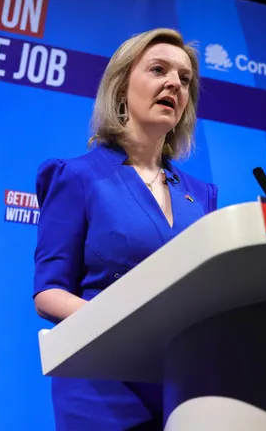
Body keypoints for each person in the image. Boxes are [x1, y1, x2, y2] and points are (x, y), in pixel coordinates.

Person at [32, 28, 219, 430]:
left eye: (184, 79)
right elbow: (48, 293)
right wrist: (126, 329)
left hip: (182, 389)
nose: (174, 83)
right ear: (121, 89)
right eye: (159, 70)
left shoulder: (201, 195)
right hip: (101, 385)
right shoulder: (77, 178)